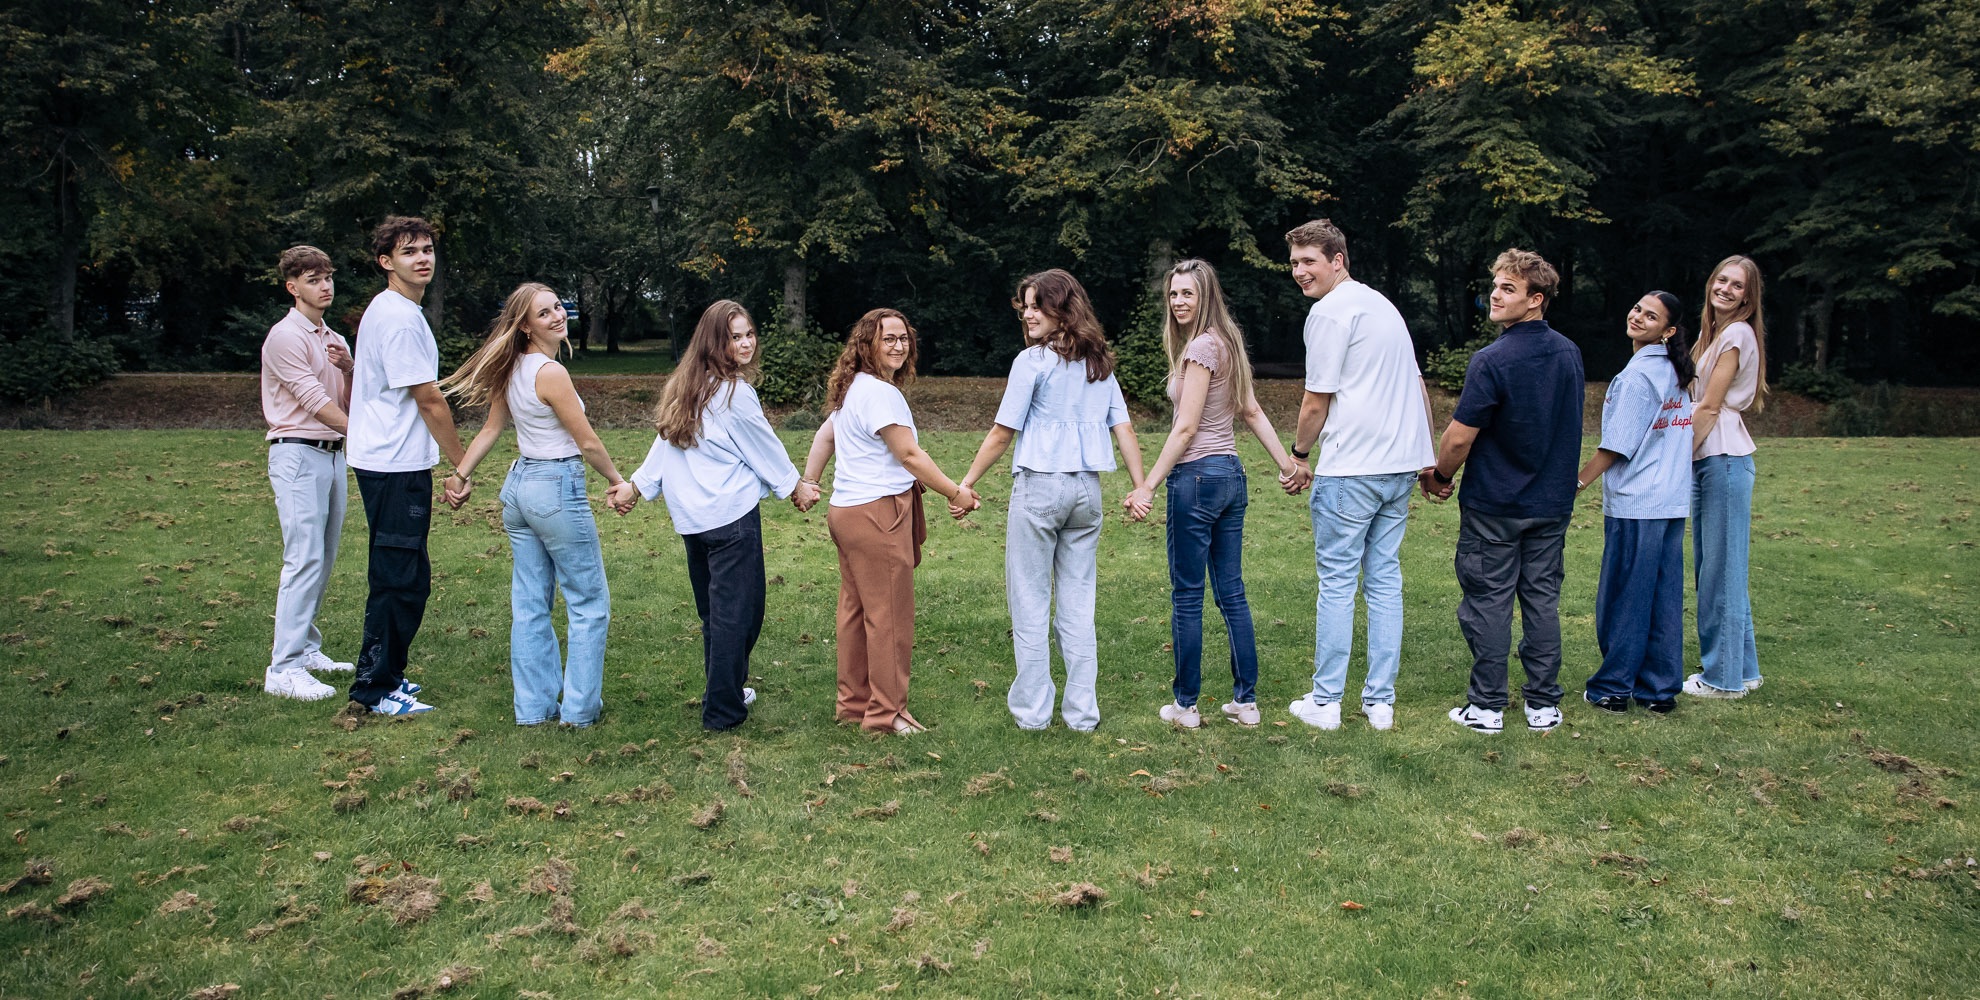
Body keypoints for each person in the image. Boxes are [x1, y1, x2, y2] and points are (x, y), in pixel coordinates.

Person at [955, 269, 1147, 732]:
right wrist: (1140, 487)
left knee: (1030, 600)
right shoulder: (1099, 363)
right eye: (1024, 305)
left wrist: (966, 483)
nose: (1028, 313)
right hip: (1087, 493)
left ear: (1062, 308)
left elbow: (1002, 432)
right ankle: (1082, 715)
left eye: (1037, 305)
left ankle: (1033, 713)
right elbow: (1123, 428)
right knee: (1079, 604)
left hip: (1040, 486)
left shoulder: (1032, 361)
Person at [1123, 259, 1307, 729]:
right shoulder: (1228, 343)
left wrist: (1147, 485)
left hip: (1197, 480)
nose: (1178, 301)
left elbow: (1186, 428)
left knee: (1188, 595)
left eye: (1187, 293)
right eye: (1173, 293)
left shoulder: (1202, 348)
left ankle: (1185, 706)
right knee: (1231, 592)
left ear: (1206, 295)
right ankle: (1246, 703)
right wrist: (1288, 466)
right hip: (1230, 477)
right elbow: (1251, 411)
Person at [616, 300, 815, 731]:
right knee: (740, 615)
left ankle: (725, 690)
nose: (745, 344)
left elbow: (662, 445)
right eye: (734, 337)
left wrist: (637, 486)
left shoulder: (687, 385)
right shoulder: (734, 393)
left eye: (748, 334)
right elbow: (762, 446)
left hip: (694, 522)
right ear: (713, 342)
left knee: (717, 614)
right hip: (730, 519)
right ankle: (723, 711)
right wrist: (795, 487)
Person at [444, 283, 627, 728]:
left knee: (529, 604)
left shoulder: (511, 367)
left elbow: (491, 429)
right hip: (555, 486)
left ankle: (533, 709)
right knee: (588, 603)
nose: (557, 316)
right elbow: (586, 441)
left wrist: (460, 474)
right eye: (544, 313)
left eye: (558, 307)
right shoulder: (550, 372)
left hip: (519, 488)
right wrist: (618, 481)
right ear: (525, 326)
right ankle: (579, 712)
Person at [1282, 220, 1437, 732]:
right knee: (1385, 580)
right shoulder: (1383, 306)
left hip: (1351, 468)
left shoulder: (1330, 312)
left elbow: (1315, 400)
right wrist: (1425, 455)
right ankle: (1380, 702)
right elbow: (1417, 385)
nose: (1300, 271)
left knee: (1338, 583)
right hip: (1397, 467)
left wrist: (1299, 454)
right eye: (1294, 262)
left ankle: (1326, 702)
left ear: (1337, 260)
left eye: (1309, 261)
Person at [1421, 248, 1584, 735]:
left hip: (1496, 504)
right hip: (1551, 501)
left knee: (1489, 600)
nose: (1495, 294)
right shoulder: (1570, 353)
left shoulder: (1492, 360)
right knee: (1541, 599)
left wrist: (1440, 475)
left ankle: (1487, 706)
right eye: (1495, 285)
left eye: (1508, 288)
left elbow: (1458, 437)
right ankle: (1543, 705)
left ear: (1536, 299)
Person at [801, 308, 978, 734]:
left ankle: (853, 705)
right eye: (888, 339)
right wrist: (955, 493)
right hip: (877, 514)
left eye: (903, 338)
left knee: (856, 610)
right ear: (868, 345)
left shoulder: (854, 388)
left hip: (846, 513)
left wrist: (810, 481)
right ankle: (886, 714)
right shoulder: (880, 394)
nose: (899, 346)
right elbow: (910, 455)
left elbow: (826, 435)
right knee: (890, 616)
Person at [344, 216, 469, 716]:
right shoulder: (397, 317)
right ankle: (374, 691)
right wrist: (462, 464)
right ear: (386, 262)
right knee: (399, 578)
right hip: (392, 464)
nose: (422, 259)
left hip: (392, 461)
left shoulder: (397, 310)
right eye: (409, 251)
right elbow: (429, 399)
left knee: (408, 574)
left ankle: (390, 675)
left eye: (427, 249)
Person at [1575, 292, 1696, 715]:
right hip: (1670, 501)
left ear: (1668, 331)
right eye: (1638, 309)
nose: (1638, 317)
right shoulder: (1674, 371)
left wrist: (1577, 482)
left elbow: (1617, 445)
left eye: (1651, 316)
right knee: (1662, 597)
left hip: (1638, 502)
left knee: (1625, 595)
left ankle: (1612, 687)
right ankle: (1659, 690)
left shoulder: (1638, 376)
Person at [260, 245, 357, 701]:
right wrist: (368, 436)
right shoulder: (285, 337)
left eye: (328, 277)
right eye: (314, 280)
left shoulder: (334, 339)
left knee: (324, 556)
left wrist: (350, 370)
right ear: (292, 287)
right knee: (303, 559)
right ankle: (283, 668)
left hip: (333, 454)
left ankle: (305, 649)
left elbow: (347, 403)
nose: (325, 286)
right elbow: (314, 402)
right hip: (297, 453)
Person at [1686, 255, 1769, 699]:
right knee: (1717, 569)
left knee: (1721, 573)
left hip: (1723, 458)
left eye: (1737, 285)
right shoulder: (1714, 335)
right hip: (1712, 459)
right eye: (1721, 280)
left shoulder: (1736, 334)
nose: (1726, 289)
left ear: (1748, 298)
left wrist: (1676, 458)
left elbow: (1710, 406)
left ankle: (1723, 679)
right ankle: (1745, 670)